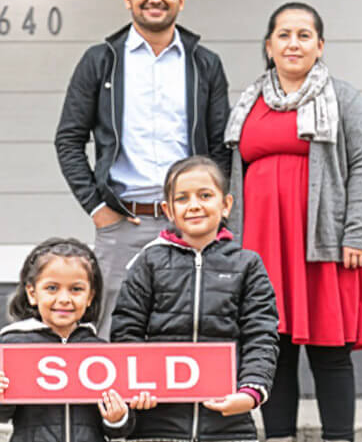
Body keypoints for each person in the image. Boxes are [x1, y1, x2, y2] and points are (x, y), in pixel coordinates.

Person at [55, 0, 231, 338]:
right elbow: (68, 140)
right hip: (121, 221)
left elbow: (220, 148)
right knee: (110, 330)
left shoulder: (205, 64)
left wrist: (209, 209)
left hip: (188, 221)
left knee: (191, 325)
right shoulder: (100, 61)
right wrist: (97, 207)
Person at [225, 2, 362, 442]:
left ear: (320, 45)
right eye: (284, 35)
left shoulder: (343, 97)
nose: (294, 43)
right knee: (273, 348)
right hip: (261, 244)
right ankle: (278, 437)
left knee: (330, 351)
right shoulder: (249, 101)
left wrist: (356, 233)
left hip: (324, 242)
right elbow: (231, 171)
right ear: (269, 45)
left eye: (304, 35)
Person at [111, 156, 279, 442]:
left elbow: (261, 335)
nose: (194, 205)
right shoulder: (148, 262)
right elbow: (127, 330)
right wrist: (137, 383)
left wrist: (250, 391)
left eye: (205, 195)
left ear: (225, 205)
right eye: (182, 198)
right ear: (168, 210)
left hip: (229, 423)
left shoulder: (247, 264)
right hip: (157, 423)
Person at [0, 237, 155, 442]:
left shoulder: (100, 351)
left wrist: (118, 418)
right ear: (32, 293)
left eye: (76, 289)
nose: (64, 299)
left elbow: (118, 428)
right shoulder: (16, 345)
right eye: (52, 288)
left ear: (90, 297)